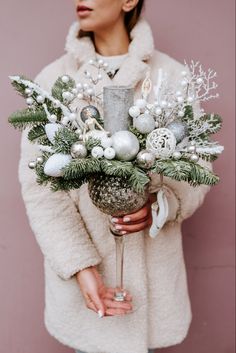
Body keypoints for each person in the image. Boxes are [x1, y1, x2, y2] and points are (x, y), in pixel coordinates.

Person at [18, 1, 212, 353]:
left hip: (153, 292)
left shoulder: (171, 76)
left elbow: (199, 171)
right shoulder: (52, 81)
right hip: (88, 287)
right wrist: (80, 266)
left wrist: (160, 204)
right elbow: (41, 189)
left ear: (129, 1)